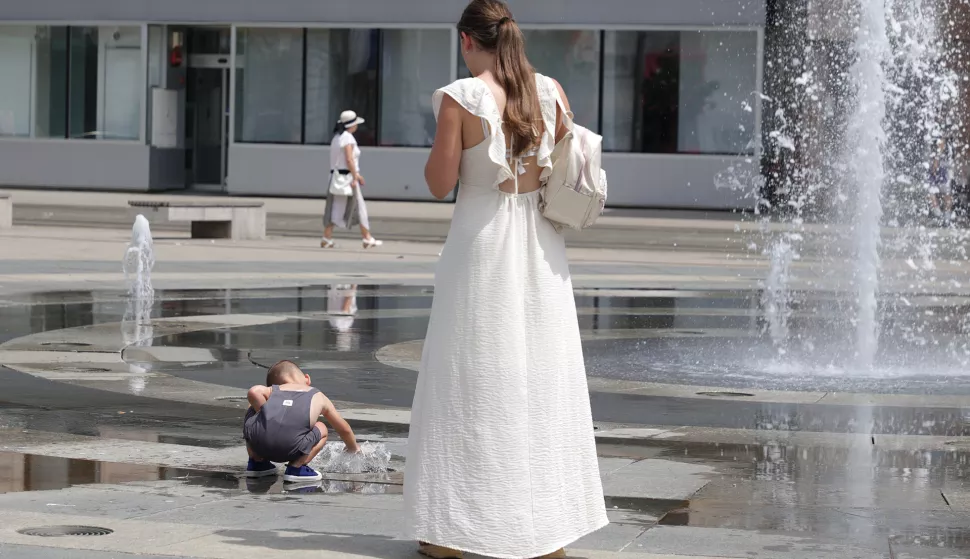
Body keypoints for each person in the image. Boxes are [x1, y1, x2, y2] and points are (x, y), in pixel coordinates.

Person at [404, 1, 608, 558]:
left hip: (481, 243)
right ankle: (545, 534)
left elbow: (438, 182)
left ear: (469, 41)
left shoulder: (460, 98)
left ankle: (449, 532)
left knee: (465, 380)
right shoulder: (552, 91)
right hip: (541, 247)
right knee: (541, 380)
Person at [243, 360, 360, 482]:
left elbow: (254, 391)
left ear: (273, 386)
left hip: (260, 446)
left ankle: (257, 463)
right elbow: (344, 429)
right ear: (307, 379)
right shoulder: (318, 396)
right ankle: (297, 467)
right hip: (293, 448)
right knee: (322, 427)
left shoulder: (271, 391)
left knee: (252, 409)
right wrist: (353, 448)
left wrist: (265, 413)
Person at [322, 110, 382, 249]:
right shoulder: (348, 138)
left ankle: (327, 237)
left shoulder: (337, 137)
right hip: (346, 178)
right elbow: (349, 159)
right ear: (352, 125)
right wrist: (356, 176)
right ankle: (366, 238)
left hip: (337, 178)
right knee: (358, 206)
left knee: (337, 208)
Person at [928, 138, 954, 222]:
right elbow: (933, 170)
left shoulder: (949, 153)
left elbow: (950, 166)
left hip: (945, 179)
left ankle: (946, 218)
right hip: (934, 179)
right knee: (931, 195)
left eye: (942, 144)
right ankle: (938, 215)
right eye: (939, 144)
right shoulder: (932, 155)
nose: (940, 145)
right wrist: (937, 156)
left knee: (947, 197)